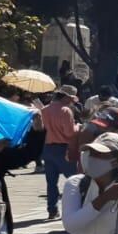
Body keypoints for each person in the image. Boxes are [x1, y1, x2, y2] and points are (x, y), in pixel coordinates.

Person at [41, 84, 81, 219]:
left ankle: (52, 210)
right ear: (65, 97)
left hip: (48, 148)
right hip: (63, 149)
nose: (71, 102)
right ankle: (76, 207)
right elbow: (69, 133)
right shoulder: (65, 111)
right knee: (75, 180)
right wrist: (78, 127)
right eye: (70, 99)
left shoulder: (45, 110)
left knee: (51, 182)